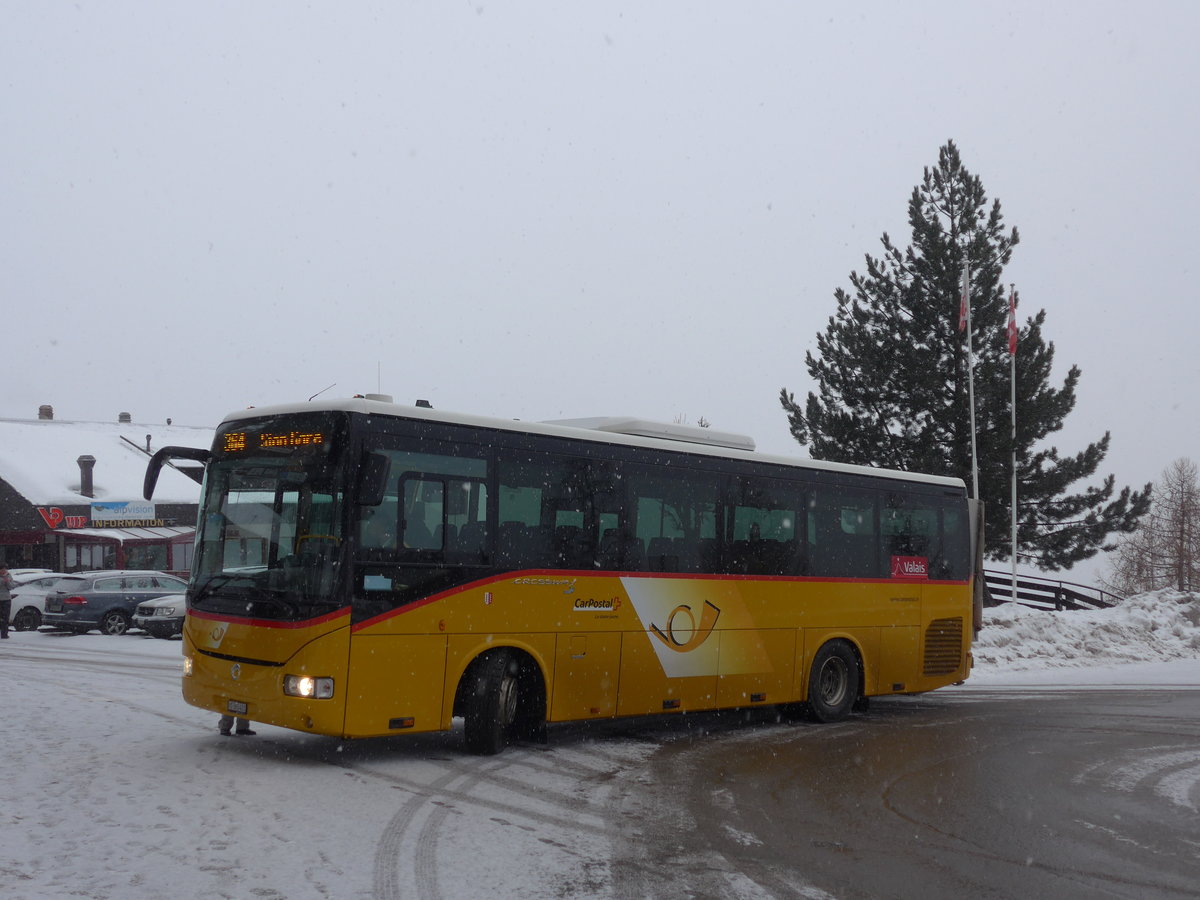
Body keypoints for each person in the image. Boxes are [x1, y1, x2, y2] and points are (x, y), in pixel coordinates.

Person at [0, 563, 13, 639]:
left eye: (5, 569)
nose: (4, 571)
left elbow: (11, 587)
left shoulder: (8, 576)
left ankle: (4, 634)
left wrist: (7, 581)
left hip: (6, 599)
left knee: (5, 618)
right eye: (2, 569)